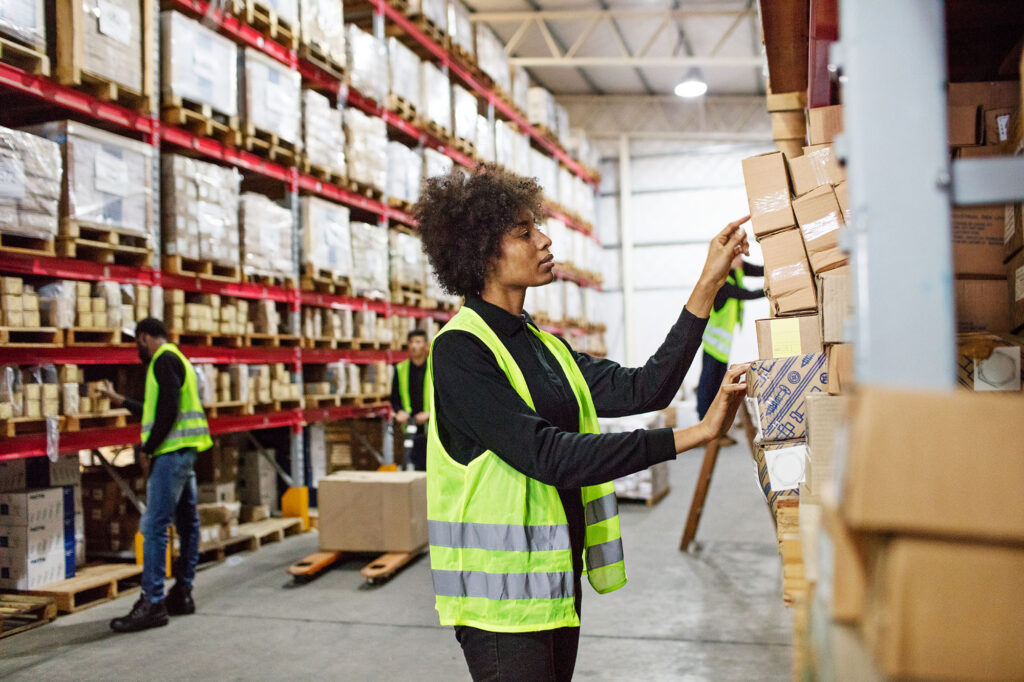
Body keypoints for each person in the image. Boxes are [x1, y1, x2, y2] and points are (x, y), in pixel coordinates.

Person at [415, 165, 751, 681]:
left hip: (552, 582)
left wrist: (708, 281)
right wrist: (694, 434)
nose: (545, 240)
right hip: (502, 605)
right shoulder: (460, 351)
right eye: (525, 233)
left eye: (538, 227)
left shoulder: (544, 348)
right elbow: (552, 456)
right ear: (481, 251)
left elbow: (646, 388)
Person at [98, 317, 212, 633]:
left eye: (137, 342)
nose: (138, 349)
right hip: (185, 451)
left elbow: (169, 408)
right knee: (188, 522)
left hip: (171, 454)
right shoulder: (178, 360)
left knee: (154, 524)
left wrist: (148, 448)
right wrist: (121, 401)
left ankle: (152, 602)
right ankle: (182, 593)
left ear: (145, 337)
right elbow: (157, 407)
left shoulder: (162, 360)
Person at [696, 255, 765, 424]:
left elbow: (760, 270)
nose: (741, 260)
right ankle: (703, 422)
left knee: (718, 382)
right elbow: (746, 294)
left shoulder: (737, 270)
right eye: (736, 256)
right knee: (709, 383)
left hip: (722, 345)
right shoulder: (722, 283)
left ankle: (714, 425)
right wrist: (770, 289)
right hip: (713, 343)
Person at [390, 329, 431, 470]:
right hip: (410, 426)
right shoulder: (401, 368)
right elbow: (394, 398)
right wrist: (399, 412)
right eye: (411, 342)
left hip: (431, 427)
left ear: (426, 345)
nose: (414, 346)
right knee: (413, 464)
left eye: (418, 342)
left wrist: (430, 414)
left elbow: (443, 397)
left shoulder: (434, 367)